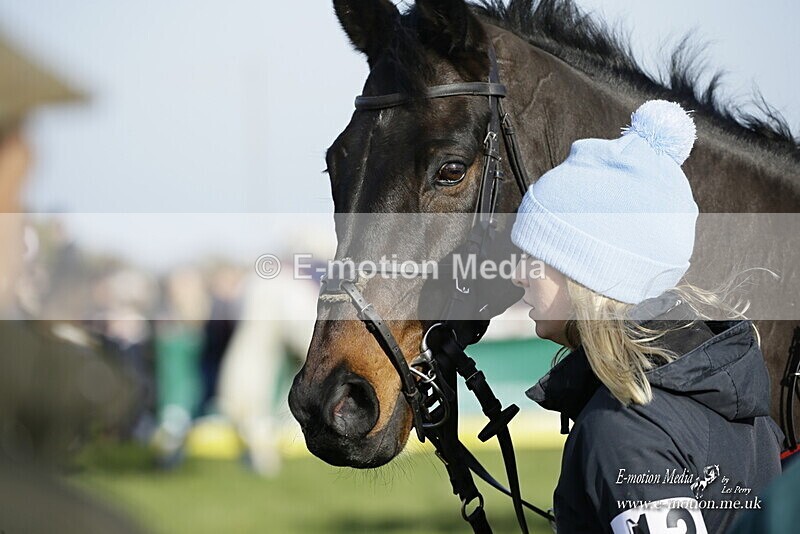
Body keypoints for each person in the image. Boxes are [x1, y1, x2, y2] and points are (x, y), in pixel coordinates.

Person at [510, 100, 783, 533]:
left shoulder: (625, 429)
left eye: (534, 256)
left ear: (591, 272)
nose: (518, 274)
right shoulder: (739, 403)